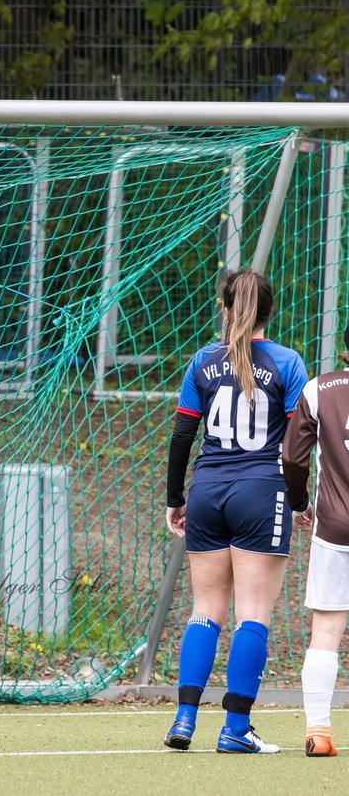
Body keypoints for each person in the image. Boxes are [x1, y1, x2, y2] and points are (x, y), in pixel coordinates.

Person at [162, 269, 307, 753]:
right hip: (262, 494)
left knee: (204, 611)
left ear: (226, 309)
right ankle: (235, 729)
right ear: (270, 310)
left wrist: (175, 499)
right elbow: (296, 448)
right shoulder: (287, 363)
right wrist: (301, 500)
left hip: (206, 491)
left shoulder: (202, 362)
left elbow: (183, 435)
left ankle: (184, 721)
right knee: (253, 614)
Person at [282, 324, 349, 757]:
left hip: (335, 527)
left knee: (325, 629)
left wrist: (300, 505)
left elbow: (291, 457)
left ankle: (318, 733)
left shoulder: (319, 389)